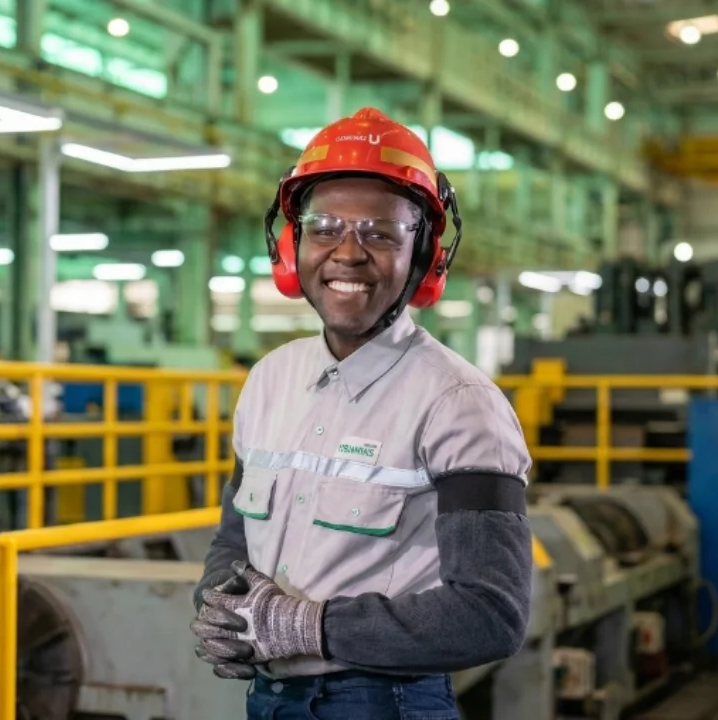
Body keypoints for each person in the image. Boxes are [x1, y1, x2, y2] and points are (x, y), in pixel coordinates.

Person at [189, 107, 533, 719]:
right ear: (293, 247)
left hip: (386, 702)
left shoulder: (461, 405)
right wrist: (222, 604)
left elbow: (490, 614)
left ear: (425, 254)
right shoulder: (269, 380)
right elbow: (234, 536)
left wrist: (310, 627)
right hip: (268, 701)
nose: (348, 253)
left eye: (380, 233)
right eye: (324, 228)